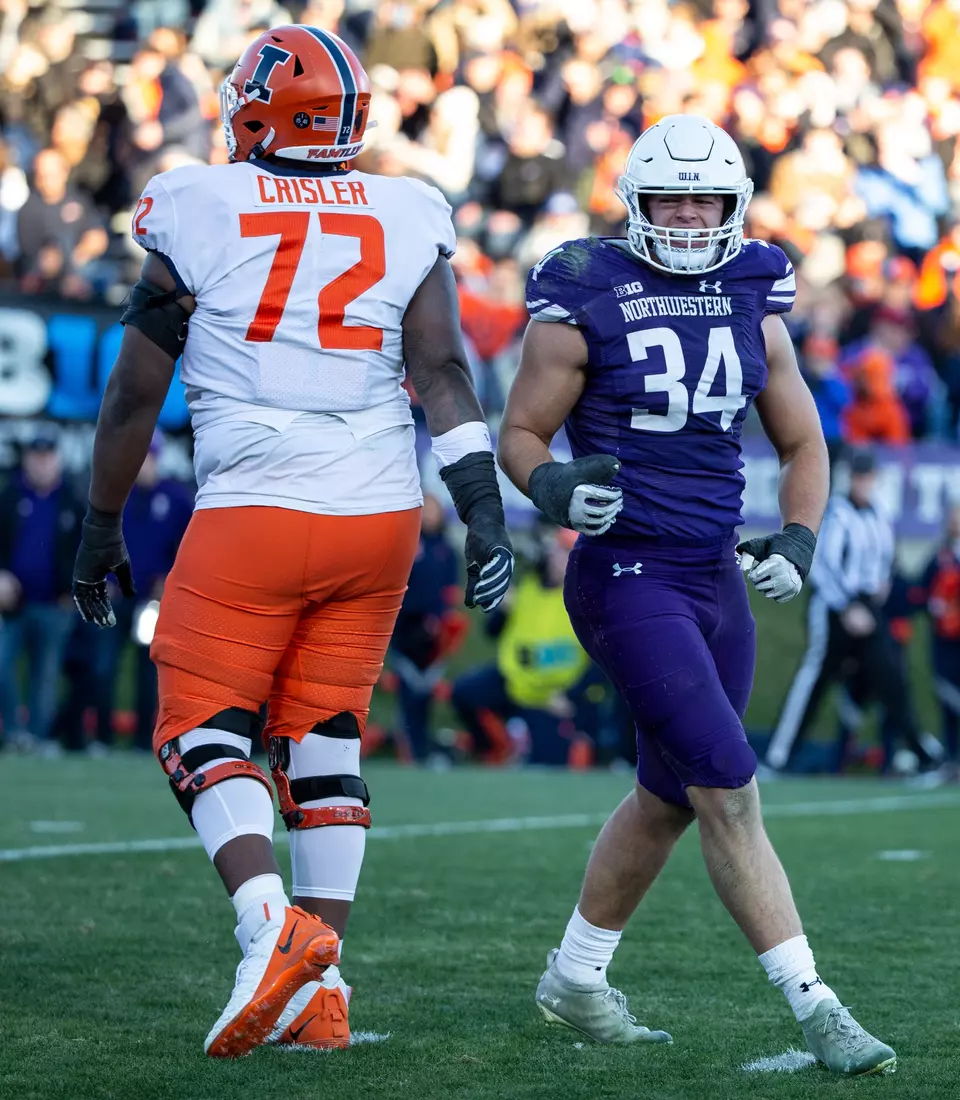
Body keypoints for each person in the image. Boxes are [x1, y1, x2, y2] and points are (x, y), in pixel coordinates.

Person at [71, 25, 513, 1059]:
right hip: (379, 515)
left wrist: (101, 523)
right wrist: (482, 506)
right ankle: (325, 987)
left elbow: (137, 387)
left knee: (197, 727)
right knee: (324, 738)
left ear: (258, 110)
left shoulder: (199, 201)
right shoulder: (405, 207)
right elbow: (443, 373)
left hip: (259, 507)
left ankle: (269, 925)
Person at [498, 115, 895, 1075]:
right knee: (728, 784)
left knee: (669, 796)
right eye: (670, 196)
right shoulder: (585, 288)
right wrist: (551, 488)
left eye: (705, 199)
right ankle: (817, 1003)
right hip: (628, 572)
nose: (686, 215)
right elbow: (520, 433)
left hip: (715, 572)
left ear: (734, 207)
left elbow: (804, 441)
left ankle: (577, 979)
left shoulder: (754, 288)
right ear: (635, 201)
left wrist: (798, 538)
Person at [766, 449, 935, 776]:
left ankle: (923, 754)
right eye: (858, 476)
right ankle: (778, 756)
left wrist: (880, 588)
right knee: (814, 678)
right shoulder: (836, 513)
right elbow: (822, 564)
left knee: (891, 679)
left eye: (868, 476)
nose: (863, 482)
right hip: (833, 608)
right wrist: (846, 606)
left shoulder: (880, 515)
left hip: (868, 607)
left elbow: (886, 561)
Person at [451, 525, 601, 766]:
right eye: (561, 552)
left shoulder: (586, 600)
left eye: (570, 553)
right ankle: (494, 746)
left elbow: (602, 665)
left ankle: (518, 743)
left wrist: (570, 697)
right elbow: (491, 633)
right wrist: (501, 610)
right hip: (513, 682)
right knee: (464, 692)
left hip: (551, 697)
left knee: (548, 764)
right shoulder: (528, 586)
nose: (563, 559)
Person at [0, 428, 83, 754]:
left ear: (58, 460)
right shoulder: (9, 496)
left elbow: (85, 549)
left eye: (48, 457)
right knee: (3, 665)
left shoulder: (72, 500)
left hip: (55, 602)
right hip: (12, 605)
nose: (42, 464)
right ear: (26, 460)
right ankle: (15, 732)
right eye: (36, 457)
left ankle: (37, 736)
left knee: (45, 675)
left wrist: (74, 588)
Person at [389, 491, 462, 763]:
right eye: (425, 508)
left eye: (434, 509)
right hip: (406, 630)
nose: (430, 514)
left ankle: (428, 747)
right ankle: (411, 749)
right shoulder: (406, 543)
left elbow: (450, 591)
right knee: (407, 693)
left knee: (427, 695)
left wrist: (441, 621)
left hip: (434, 635)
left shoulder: (447, 550)